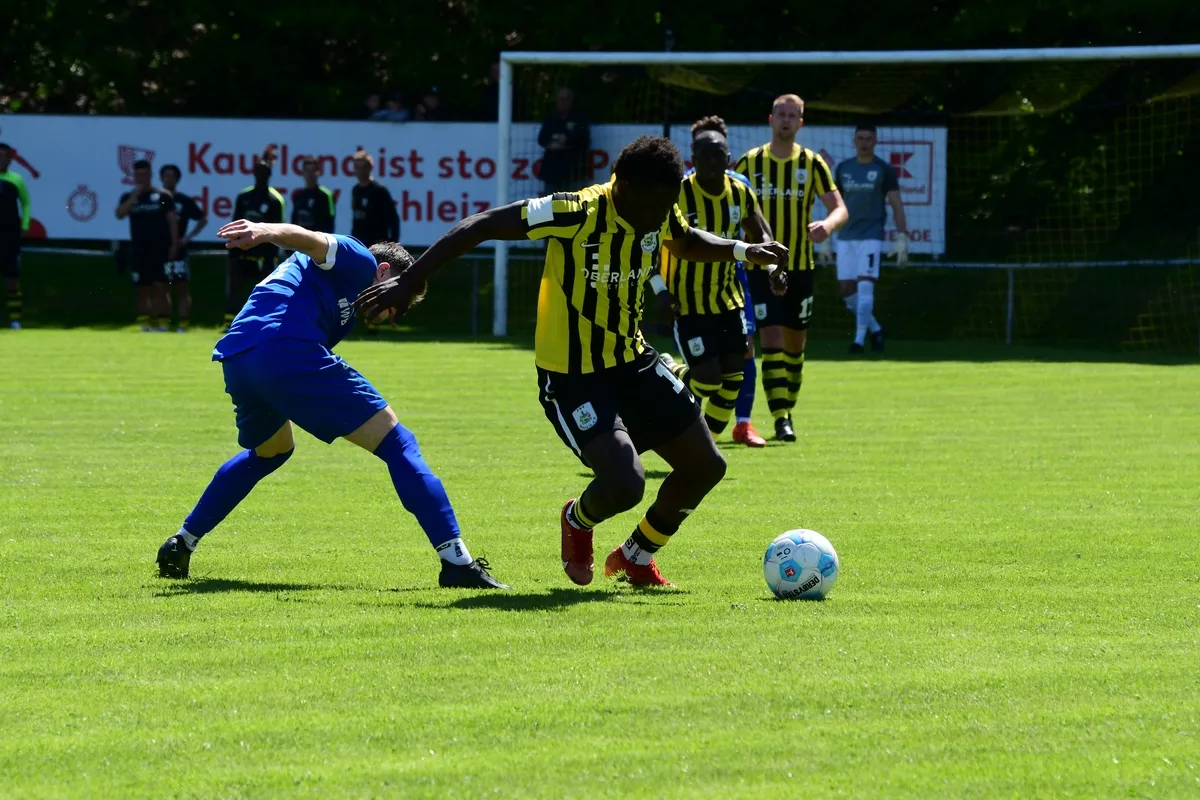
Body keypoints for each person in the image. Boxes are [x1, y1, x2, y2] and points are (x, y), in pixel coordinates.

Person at [356, 136, 788, 587]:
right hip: (573, 375)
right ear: (624, 188)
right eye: (655, 208)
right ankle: (577, 519)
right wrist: (410, 281)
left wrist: (743, 250)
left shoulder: (659, 205)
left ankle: (635, 556)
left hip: (632, 360)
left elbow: (685, 241)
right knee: (626, 484)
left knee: (707, 466)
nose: (660, 218)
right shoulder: (575, 211)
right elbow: (480, 224)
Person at [156, 220, 508, 590]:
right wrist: (265, 231)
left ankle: (182, 542)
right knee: (399, 444)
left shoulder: (339, 297)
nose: (395, 313)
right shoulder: (359, 261)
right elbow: (309, 239)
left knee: (271, 451)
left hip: (239, 357)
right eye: (400, 297)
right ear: (383, 271)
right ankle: (456, 562)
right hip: (285, 348)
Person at [653, 122, 777, 445]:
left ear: (729, 158)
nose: (711, 161)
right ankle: (668, 369)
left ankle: (703, 445)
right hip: (687, 303)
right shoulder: (677, 193)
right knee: (708, 380)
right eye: (704, 155)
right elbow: (648, 243)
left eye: (717, 155)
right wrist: (659, 290)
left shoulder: (740, 192)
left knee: (733, 379)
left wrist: (773, 267)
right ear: (692, 159)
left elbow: (760, 235)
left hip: (728, 300)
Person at [735, 94, 849, 442]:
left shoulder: (813, 163)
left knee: (795, 347)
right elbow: (730, 202)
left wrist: (827, 225)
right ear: (770, 119)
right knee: (770, 338)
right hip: (761, 267)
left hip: (800, 266)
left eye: (792, 115)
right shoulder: (750, 162)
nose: (786, 120)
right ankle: (781, 417)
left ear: (801, 123)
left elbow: (840, 208)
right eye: (781, 114)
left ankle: (787, 405)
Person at [830, 124, 909, 353]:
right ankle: (876, 329)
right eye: (860, 138)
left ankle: (858, 341)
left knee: (865, 286)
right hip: (846, 236)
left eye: (868, 139)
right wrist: (826, 235)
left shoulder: (884, 169)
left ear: (875, 142)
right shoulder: (843, 168)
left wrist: (902, 235)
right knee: (846, 290)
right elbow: (834, 203)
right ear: (854, 141)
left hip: (871, 235)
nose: (864, 143)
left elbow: (896, 204)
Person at [225, 151, 286, 329]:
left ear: (269, 175)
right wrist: (234, 251)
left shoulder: (275, 200)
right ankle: (229, 323)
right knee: (235, 289)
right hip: (242, 253)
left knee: (266, 292)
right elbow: (235, 225)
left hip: (264, 257)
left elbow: (278, 230)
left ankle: (266, 324)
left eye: (264, 173)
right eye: (258, 172)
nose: (261, 176)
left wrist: (271, 257)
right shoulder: (244, 197)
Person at [116, 159, 179, 331]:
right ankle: (145, 323)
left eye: (144, 175)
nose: (141, 178)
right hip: (139, 249)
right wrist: (134, 196)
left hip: (160, 249)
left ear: (150, 175)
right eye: (138, 175)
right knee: (141, 288)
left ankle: (162, 323)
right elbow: (120, 214)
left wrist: (174, 244)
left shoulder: (163, 196)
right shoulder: (129, 197)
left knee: (161, 286)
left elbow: (172, 221)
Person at [160, 164, 207, 333]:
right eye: (166, 176)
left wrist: (187, 238)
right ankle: (163, 322)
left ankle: (183, 323)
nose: (168, 179)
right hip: (159, 249)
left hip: (179, 249)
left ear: (177, 179)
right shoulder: (156, 199)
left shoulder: (184, 200)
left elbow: (202, 219)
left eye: (172, 176)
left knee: (181, 286)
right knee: (162, 286)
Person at [0, 143, 31, 330]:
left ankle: (15, 320)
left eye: (5, 156)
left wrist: (25, 225)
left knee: (12, 279)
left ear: (10, 160)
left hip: (9, 236)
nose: (2, 159)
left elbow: (26, 203)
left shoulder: (16, 179)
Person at [537, 87, 590, 194]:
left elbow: (584, 140)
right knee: (550, 202)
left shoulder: (579, 118)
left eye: (567, 99)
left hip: (574, 172)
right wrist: (558, 140)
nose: (564, 102)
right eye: (561, 99)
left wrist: (566, 140)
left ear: (572, 100)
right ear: (556, 100)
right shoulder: (551, 118)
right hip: (552, 172)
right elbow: (542, 139)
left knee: (574, 202)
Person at [291, 157, 336, 233]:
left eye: (313, 171)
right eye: (307, 171)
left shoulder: (325, 195)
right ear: (303, 173)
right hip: (301, 238)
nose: (310, 174)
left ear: (318, 173)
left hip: (318, 238)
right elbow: (294, 222)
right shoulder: (298, 196)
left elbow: (330, 223)